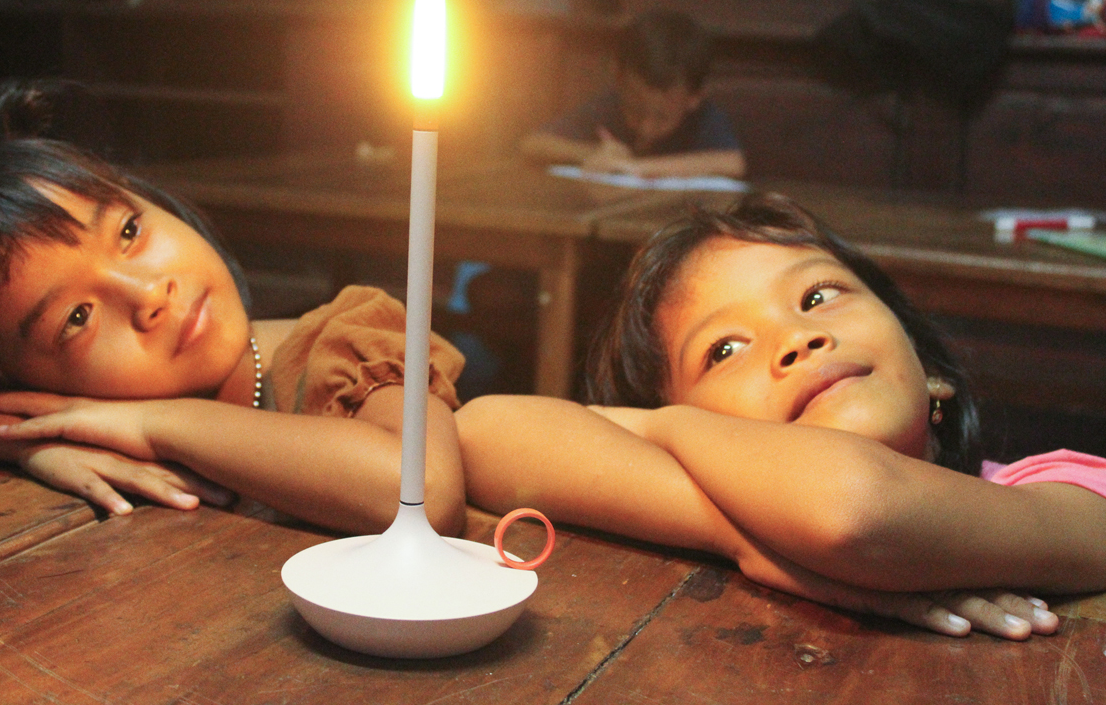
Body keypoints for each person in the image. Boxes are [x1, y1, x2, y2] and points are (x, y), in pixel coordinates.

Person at [456, 193, 1106, 640]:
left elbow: (855, 505)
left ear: (927, 365)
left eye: (818, 296)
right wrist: (742, 536)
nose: (796, 337)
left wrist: (658, 427)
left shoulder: (1073, 489)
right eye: (724, 350)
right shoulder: (726, 500)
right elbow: (481, 430)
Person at [0, 137, 467, 537]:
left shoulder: (342, 339)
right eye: (77, 318)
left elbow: (425, 492)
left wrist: (156, 423)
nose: (147, 294)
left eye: (129, 232)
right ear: (23, 382)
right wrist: (31, 442)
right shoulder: (65, 413)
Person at [517, 10, 745, 180]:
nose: (646, 128)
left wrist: (636, 168)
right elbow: (533, 144)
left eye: (662, 118)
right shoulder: (609, 106)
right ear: (618, 78)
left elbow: (733, 164)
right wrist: (592, 153)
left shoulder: (703, 118)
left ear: (695, 97)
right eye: (635, 111)